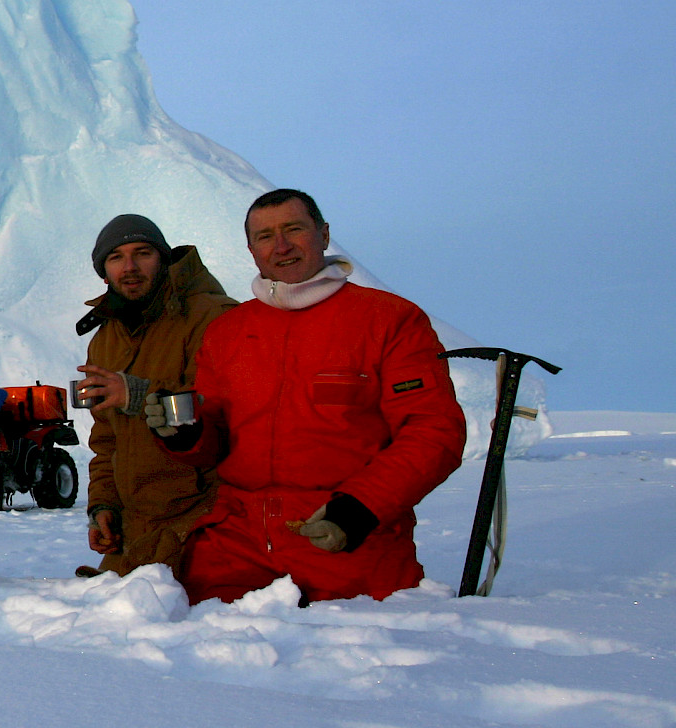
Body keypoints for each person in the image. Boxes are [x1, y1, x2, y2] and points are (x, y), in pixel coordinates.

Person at [152, 189, 465, 604]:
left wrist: (359, 509)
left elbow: (433, 430)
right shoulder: (229, 332)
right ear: (251, 249)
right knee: (198, 653)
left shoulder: (388, 320)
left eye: (293, 229)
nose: (280, 246)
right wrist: (185, 435)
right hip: (236, 546)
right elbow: (217, 439)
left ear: (323, 234)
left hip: (347, 541)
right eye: (265, 236)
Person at [72, 214, 236, 578]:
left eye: (142, 253)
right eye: (116, 258)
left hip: (206, 523)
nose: (129, 267)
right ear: (104, 272)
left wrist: (138, 395)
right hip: (138, 531)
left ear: (163, 258)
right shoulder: (105, 339)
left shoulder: (212, 317)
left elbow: (230, 409)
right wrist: (104, 506)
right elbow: (106, 441)